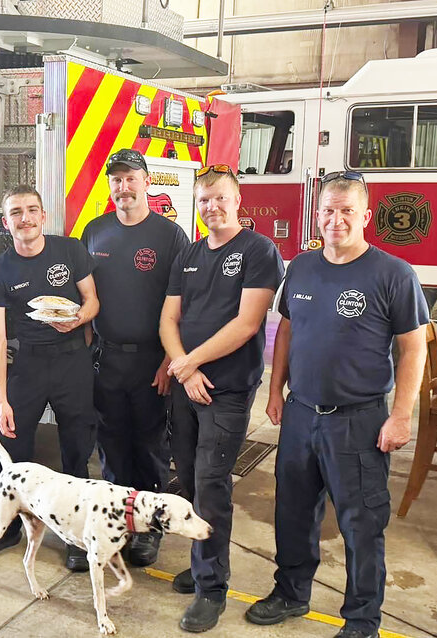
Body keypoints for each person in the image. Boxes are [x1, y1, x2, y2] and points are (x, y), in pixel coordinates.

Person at [245, 171, 428, 638]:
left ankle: (363, 619)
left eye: (347, 210)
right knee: (293, 511)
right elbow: (286, 329)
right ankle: (290, 592)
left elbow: (413, 349)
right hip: (302, 413)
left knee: (361, 524)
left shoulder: (393, 274)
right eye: (328, 209)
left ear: (366, 216)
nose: (336, 219)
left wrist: (401, 414)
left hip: (360, 422)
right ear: (317, 214)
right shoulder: (302, 268)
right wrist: (275, 390)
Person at [160, 165, 284, 632]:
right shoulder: (189, 253)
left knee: (212, 486)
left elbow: (248, 323)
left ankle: (212, 589)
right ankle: (199, 563)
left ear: (238, 200)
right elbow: (167, 320)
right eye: (204, 199)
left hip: (226, 391)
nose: (211, 207)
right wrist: (182, 367)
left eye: (219, 198)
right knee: (190, 483)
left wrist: (190, 364)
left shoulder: (258, 250)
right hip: (186, 387)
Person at [0, 184, 99, 571]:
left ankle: (77, 538)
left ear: (43, 216)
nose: (25, 218)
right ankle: (7, 529)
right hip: (28, 365)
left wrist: (78, 319)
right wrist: (1, 399)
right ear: (6, 222)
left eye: (32, 210)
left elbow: (92, 301)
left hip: (72, 363)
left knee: (77, 454)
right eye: (16, 212)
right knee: (14, 454)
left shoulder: (70, 250)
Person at [80, 148, 189, 567]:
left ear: (147, 182)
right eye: (116, 180)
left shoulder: (169, 236)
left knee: (150, 447)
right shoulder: (95, 231)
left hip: (151, 362)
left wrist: (168, 360)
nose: (123, 187)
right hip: (106, 359)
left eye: (131, 178)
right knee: (111, 446)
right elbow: (84, 295)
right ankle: (119, 522)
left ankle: (151, 527)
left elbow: (179, 305)